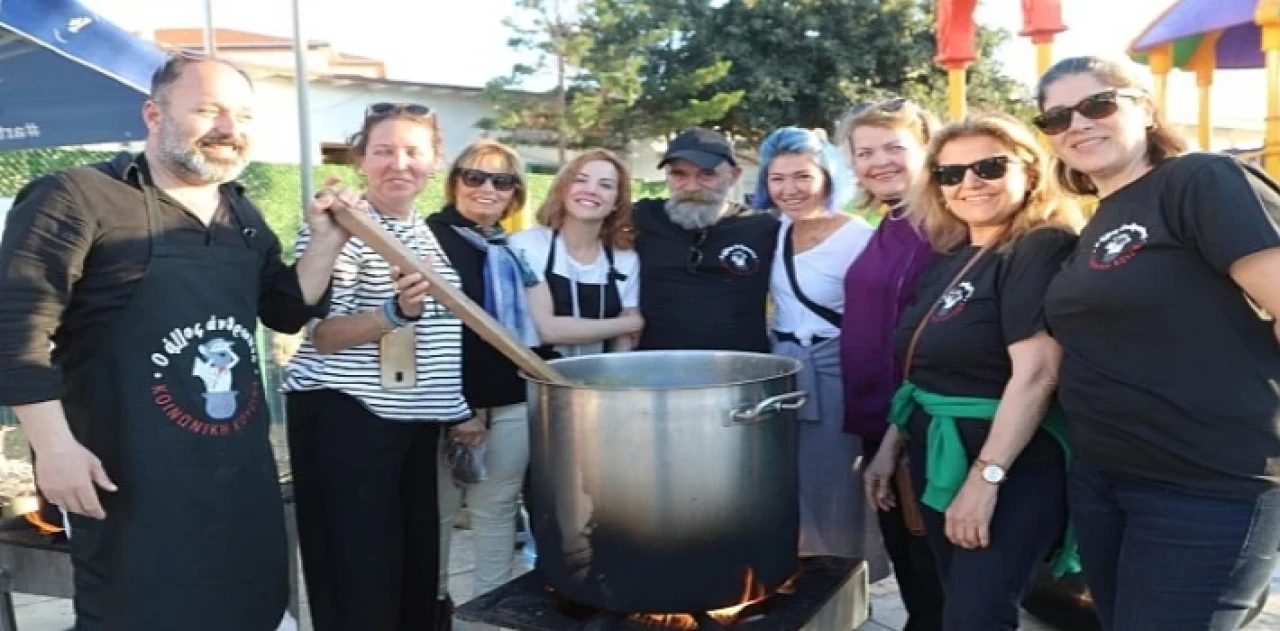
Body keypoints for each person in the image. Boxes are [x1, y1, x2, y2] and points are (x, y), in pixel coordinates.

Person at [0, 55, 350, 630]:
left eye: (241, 115)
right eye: (208, 109)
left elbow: (284, 310)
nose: (227, 129)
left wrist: (327, 243)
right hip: (131, 476)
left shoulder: (241, 213)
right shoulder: (76, 197)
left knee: (251, 608)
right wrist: (55, 450)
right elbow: (16, 329)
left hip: (237, 473)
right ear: (153, 114)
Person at [1036, 56, 1280, 630]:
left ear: (1143, 108)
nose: (1078, 123)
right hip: (1105, 480)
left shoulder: (1200, 179)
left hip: (1207, 487)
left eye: (1098, 104)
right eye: (1056, 116)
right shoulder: (1095, 221)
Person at [864, 112, 1082, 631]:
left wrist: (986, 479)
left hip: (1010, 460)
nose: (970, 183)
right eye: (951, 173)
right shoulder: (952, 256)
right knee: (953, 598)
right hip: (938, 452)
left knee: (977, 614)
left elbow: (1036, 374)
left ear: (1029, 171)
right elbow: (926, 367)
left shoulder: (1039, 245)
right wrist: (890, 445)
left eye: (989, 166)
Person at [282, 102, 465, 631]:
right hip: (347, 416)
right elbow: (320, 333)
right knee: (360, 577)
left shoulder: (419, 231)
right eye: (384, 151)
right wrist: (393, 313)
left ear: (434, 162)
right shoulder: (342, 227)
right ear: (362, 158)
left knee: (410, 573)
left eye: (413, 151)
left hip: (410, 421)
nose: (399, 163)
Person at [753, 126, 886, 575]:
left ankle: (842, 577)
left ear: (827, 176)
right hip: (782, 364)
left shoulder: (858, 237)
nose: (789, 189)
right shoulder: (773, 232)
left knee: (834, 479)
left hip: (834, 366)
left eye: (802, 177)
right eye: (778, 179)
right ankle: (794, 574)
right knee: (786, 479)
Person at [835, 97, 945, 630]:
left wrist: (897, 435)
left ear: (927, 149)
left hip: (917, 429)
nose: (879, 161)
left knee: (935, 568)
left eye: (894, 147)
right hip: (876, 422)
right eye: (864, 151)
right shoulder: (889, 222)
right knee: (909, 563)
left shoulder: (943, 227)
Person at [427, 140, 538, 627]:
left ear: (515, 194)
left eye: (502, 180)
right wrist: (462, 409)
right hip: (448, 408)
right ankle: (432, 616)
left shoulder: (509, 249)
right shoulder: (428, 239)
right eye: (474, 176)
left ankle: (487, 621)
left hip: (512, 403)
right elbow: (430, 333)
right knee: (436, 522)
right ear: (454, 183)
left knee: (497, 518)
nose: (487, 189)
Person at [632, 128, 778, 353]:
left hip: (742, 374)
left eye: (707, 174)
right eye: (679, 174)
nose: (692, 187)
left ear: (734, 176)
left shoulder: (765, 229)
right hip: (658, 372)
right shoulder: (642, 218)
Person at [509, 148, 643, 357]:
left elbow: (624, 343)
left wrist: (612, 383)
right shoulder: (527, 245)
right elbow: (545, 330)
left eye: (605, 185)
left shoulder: (625, 258)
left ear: (617, 201)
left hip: (603, 382)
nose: (591, 190)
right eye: (580, 180)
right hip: (540, 382)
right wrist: (628, 323)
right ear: (563, 189)